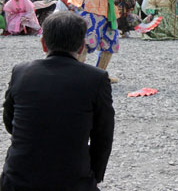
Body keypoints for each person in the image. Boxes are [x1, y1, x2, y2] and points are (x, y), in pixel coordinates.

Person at [1, 12, 114, 190]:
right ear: (81, 46)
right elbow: (103, 135)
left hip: (17, 179)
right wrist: (94, 176)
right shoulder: (96, 78)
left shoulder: (21, 72)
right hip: (72, 179)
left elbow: (10, 122)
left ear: (44, 44)